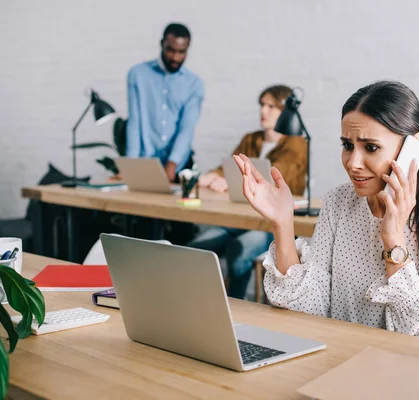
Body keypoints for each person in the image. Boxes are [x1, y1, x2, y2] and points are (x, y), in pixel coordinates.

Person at [233, 81, 419, 343]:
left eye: (370, 148)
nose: (353, 163)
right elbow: (310, 309)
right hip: (335, 360)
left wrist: (393, 241)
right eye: (347, 145)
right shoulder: (338, 201)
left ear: (413, 147)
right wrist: (282, 224)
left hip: (405, 375)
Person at [188, 85, 308, 299]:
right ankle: (197, 301)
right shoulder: (251, 139)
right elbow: (228, 167)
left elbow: (276, 177)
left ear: (285, 111)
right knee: (195, 247)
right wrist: (213, 176)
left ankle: (235, 307)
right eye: (263, 105)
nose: (264, 111)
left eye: (272, 106)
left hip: (267, 224)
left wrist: (231, 179)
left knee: (239, 251)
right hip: (238, 218)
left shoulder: (297, 143)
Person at [126, 23, 204, 182]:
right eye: (170, 50)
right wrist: (130, 165)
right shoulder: (138, 74)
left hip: (178, 166)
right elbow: (135, 121)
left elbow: (186, 128)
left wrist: (173, 162)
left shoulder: (194, 84)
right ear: (162, 44)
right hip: (145, 163)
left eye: (181, 52)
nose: (175, 57)